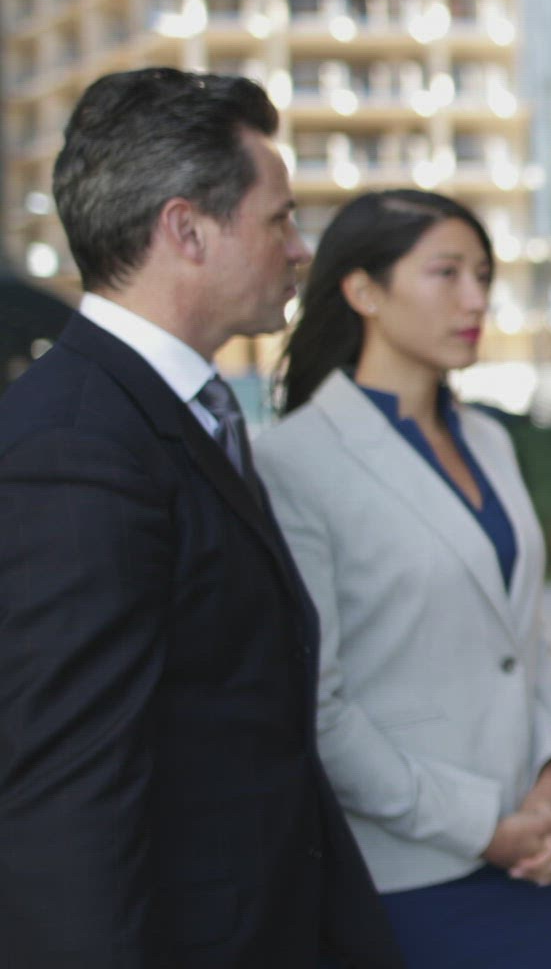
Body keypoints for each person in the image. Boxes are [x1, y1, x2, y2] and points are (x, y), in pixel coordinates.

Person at [0, 68, 402, 966]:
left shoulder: (178, 409)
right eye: (279, 219)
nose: (300, 249)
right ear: (186, 230)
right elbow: (66, 805)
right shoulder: (75, 446)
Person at [255, 189, 551, 967]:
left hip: (533, 852)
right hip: (410, 875)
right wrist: (482, 827)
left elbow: (525, 640)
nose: (475, 300)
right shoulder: (293, 461)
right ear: (363, 290)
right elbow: (318, 707)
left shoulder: (489, 440)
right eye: (446, 273)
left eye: (483, 276)